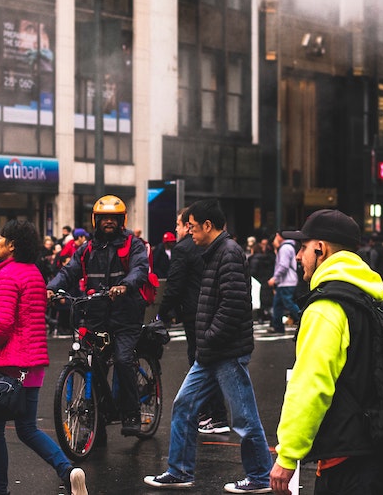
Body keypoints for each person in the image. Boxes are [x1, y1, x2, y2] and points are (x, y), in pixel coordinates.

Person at [269, 209, 383, 495]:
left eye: (303, 247)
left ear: (321, 249)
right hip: (382, 446)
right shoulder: (369, 295)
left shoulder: (326, 307)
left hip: (346, 458)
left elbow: (311, 385)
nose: (298, 256)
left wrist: (288, 455)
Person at [145, 199, 274, 493]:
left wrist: (210, 336)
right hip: (211, 352)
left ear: (207, 225)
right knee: (184, 406)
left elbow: (233, 305)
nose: (189, 232)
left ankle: (260, 476)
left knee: (244, 417)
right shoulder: (215, 252)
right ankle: (179, 471)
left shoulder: (228, 253)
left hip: (226, 352)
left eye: (192, 226)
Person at [0, 220, 87, 495]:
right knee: (27, 428)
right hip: (33, 364)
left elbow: (2, 323)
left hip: (7, 364)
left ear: (11, 245)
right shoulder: (34, 272)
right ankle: (68, 471)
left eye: (1, 238)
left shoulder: (7, 275)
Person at [47, 195, 149, 437]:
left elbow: (140, 268)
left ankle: (132, 413)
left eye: (113, 218)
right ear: (96, 220)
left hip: (126, 316)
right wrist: (51, 288)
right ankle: (98, 419)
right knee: (94, 363)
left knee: (123, 360)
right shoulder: (87, 249)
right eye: (104, 218)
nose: (108, 222)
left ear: (121, 220)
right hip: (97, 316)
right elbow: (68, 271)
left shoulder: (133, 244)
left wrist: (125, 285)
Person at [157, 209, 230, 436]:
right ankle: (211, 413)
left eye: (179, 224)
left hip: (195, 313)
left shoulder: (184, 248)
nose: (178, 229)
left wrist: (162, 313)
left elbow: (175, 286)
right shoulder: (215, 246)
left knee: (201, 363)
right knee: (211, 362)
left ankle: (214, 415)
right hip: (213, 312)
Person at [268, 232, 301, 333]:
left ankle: (304, 319)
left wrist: (275, 278)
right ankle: (278, 327)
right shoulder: (287, 247)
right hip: (286, 281)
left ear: (278, 236)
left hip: (286, 281)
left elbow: (283, 266)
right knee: (278, 304)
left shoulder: (285, 248)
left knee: (288, 303)